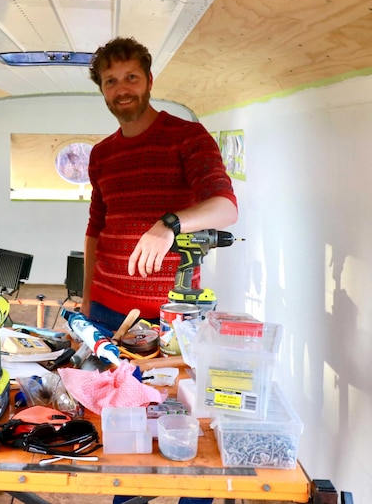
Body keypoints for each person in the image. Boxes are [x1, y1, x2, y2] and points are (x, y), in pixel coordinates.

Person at [82, 37, 238, 504]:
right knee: (124, 438)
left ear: (149, 81)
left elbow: (225, 208)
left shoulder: (187, 137)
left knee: (193, 438)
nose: (122, 88)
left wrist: (169, 224)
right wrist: (89, 300)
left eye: (131, 77)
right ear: (103, 92)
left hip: (173, 321)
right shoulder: (102, 154)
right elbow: (95, 228)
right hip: (110, 316)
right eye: (111, 82)